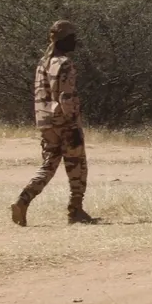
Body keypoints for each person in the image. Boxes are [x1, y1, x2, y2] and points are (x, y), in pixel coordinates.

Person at [11, 21, 94, 226]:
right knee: (77, 165)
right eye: (72, 38)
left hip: (45, 121)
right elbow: (65, 95)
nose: (75, 42)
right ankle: (75, 210)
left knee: (49, 165)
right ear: (63, 40)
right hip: (64, 120)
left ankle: (23, 200)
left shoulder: (43, 63)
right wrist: (73, 121)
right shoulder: (64, 63)